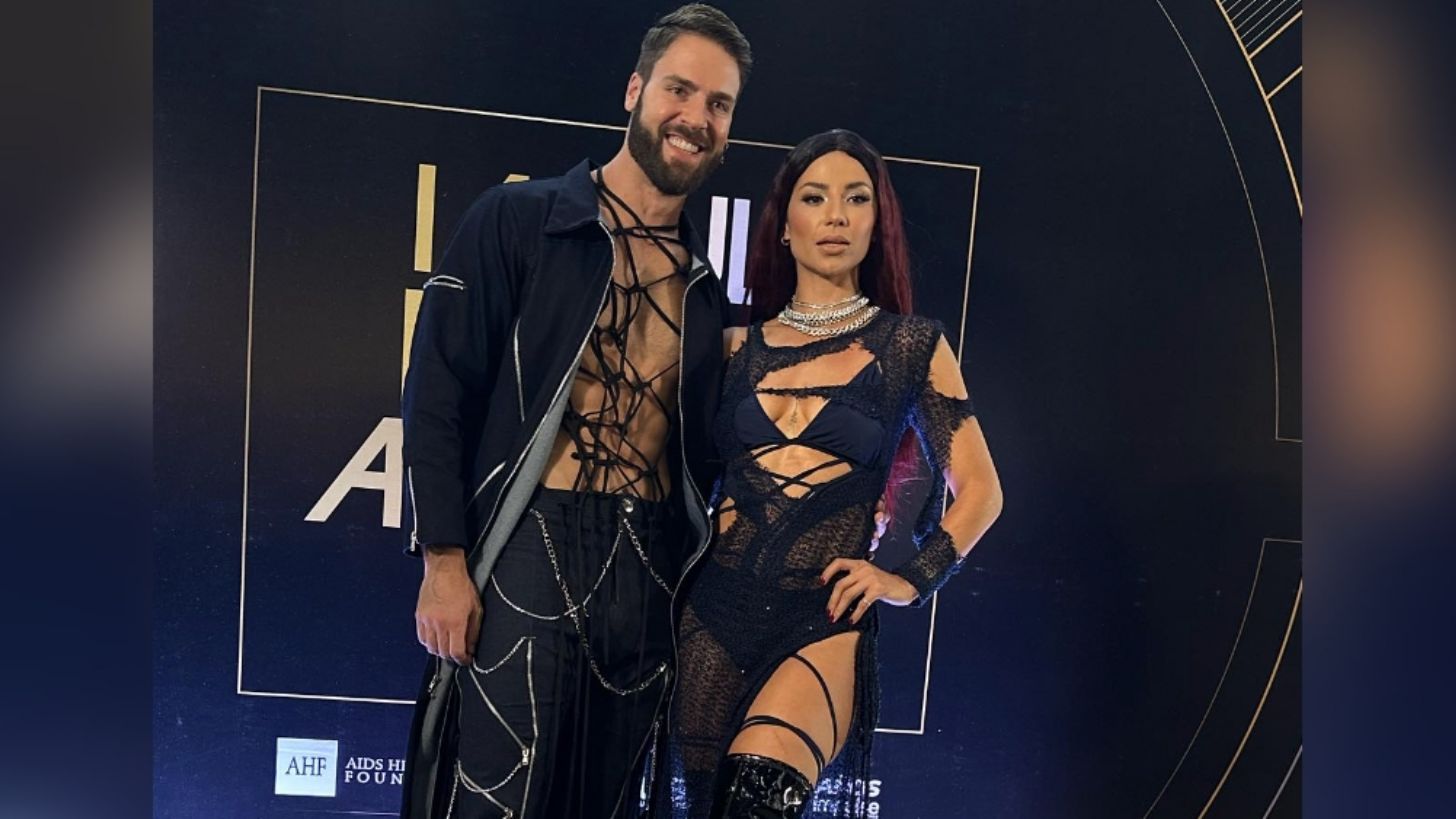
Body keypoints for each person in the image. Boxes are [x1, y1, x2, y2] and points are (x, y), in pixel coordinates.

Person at [398, 6, 751, 817]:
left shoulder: (704, 289)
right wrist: (444, 560)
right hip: (530, 543)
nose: (695, 117)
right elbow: (438, 387)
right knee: (494, 796)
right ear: (635, 90)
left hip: (649, 569)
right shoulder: (519, 220)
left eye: (719, 104)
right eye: (679, 89)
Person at [658, 130, 1004, 818]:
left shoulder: (911, 345)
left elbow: (982, 491)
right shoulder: (733, 347)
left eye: (857, 199)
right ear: (785, 225)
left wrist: (909, 578)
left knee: (757, 796)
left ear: (877, 224)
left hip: (822, 617)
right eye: (815, 198)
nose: (837, 216)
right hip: (712, 610)